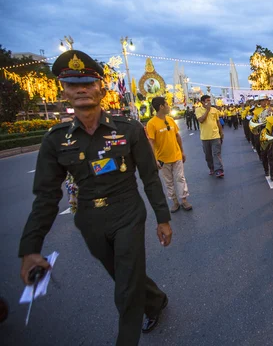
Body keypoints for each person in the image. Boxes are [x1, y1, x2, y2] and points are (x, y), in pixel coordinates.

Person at [18, 50, 172, 345]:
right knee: (123, 276)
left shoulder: (128, 129)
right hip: (89, 221)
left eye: (88, 82)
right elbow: (46, 198)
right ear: (64, 90)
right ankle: (156, 300)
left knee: (125, 290)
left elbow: (150, 177)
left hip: (128, 213)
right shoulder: (56, 139)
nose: (81, 89)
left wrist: (162, 218)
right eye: (73, 84)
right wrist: (30, 248)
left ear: (101, 88)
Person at [147, 97, 192, 212]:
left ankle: (184, 200)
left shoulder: (170, 120)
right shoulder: (151, 123)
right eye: (167, 104)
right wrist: (154, 159)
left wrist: (182, 151)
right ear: (161, 107)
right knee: (169, 182)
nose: (168, 106)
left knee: (180, 178)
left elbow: (177, 136)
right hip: (163, 159)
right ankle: (175, 202)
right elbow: (151, 142)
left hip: (176, 155)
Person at [196, 95, 224, 178]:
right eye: (207, 100)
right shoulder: (198, 110)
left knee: (216, 153)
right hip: (205, 137)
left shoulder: (214, 110)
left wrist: (221, 133)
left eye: (209, 100)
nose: (209, 102)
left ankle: (219, 170)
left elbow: (218, 122)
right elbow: (201, 120)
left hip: (215, 136)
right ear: (202, 102)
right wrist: (207, 110)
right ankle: (212, 168)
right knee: (208, 155)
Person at [250, 94, 272, 176]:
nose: (264, 102)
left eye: (265, 100)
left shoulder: (271, 109)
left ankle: (272, 173)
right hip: (260, 131)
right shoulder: (256, 111)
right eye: (262, 101)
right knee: (263, 153)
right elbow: (254, 122)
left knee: (271, 154)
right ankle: (266, 169)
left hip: (269, 131)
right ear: (260, 102)